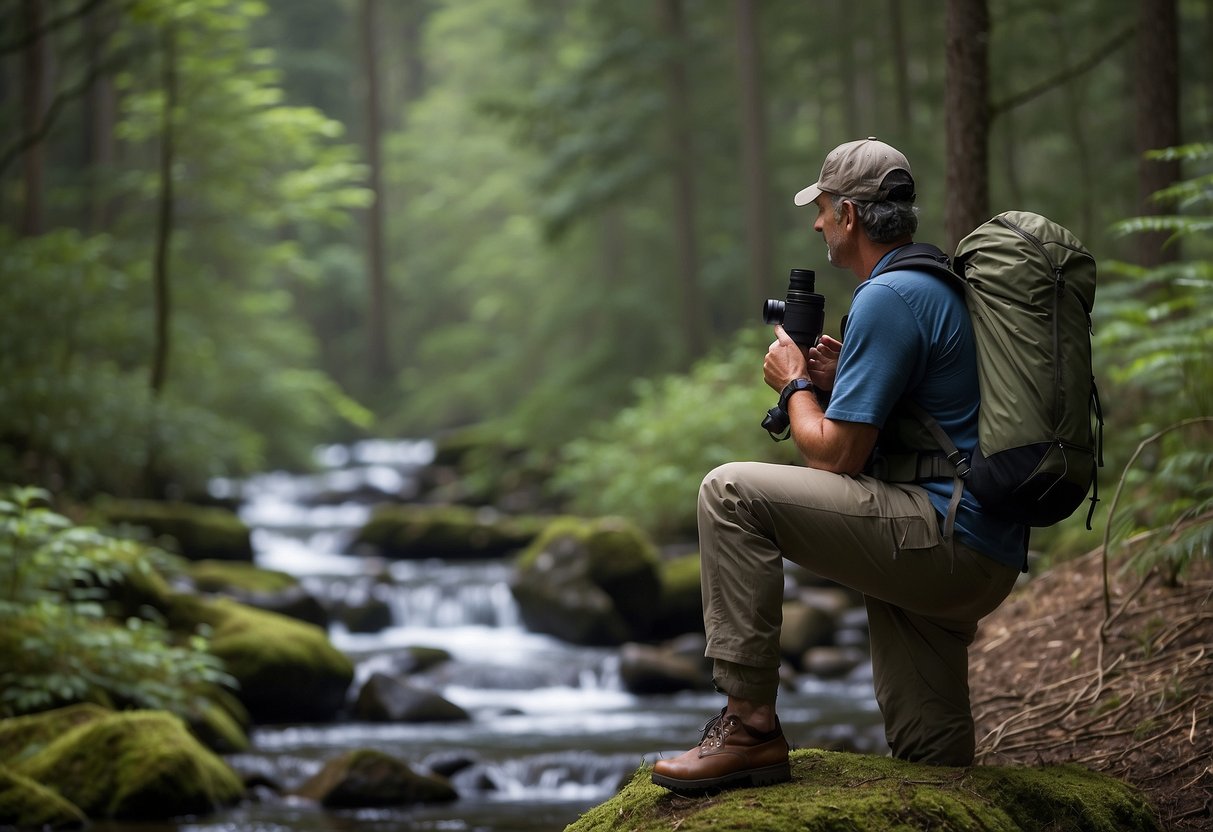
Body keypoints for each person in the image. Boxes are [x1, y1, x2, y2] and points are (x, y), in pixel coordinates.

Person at [651, 138, 1026, 795]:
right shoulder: (931, 283)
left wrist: (794, 382)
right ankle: (949, 799)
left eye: (822, 208)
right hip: (979, 545)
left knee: (728, 491)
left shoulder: (888, 298)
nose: (816, 222)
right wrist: (837, 376)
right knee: (932, 763)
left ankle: (748, 729)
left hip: (938, 535)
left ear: (849, 215)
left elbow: (833, 455)